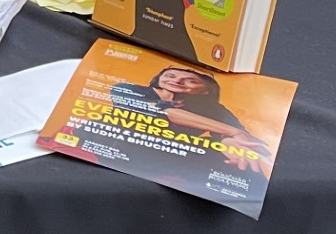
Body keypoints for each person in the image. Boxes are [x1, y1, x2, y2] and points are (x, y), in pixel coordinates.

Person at [108, 64, 273, 173]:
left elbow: (243, 135)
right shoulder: (126, 89)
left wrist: (227, 141)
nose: (177, 81)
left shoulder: (212, 108)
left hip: (174, 160)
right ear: (159, 79)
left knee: (243, 159)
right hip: (122, 154)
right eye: (170, 75)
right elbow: (162, 113)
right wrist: (231, 132)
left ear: (206, 90)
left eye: (191, 81)